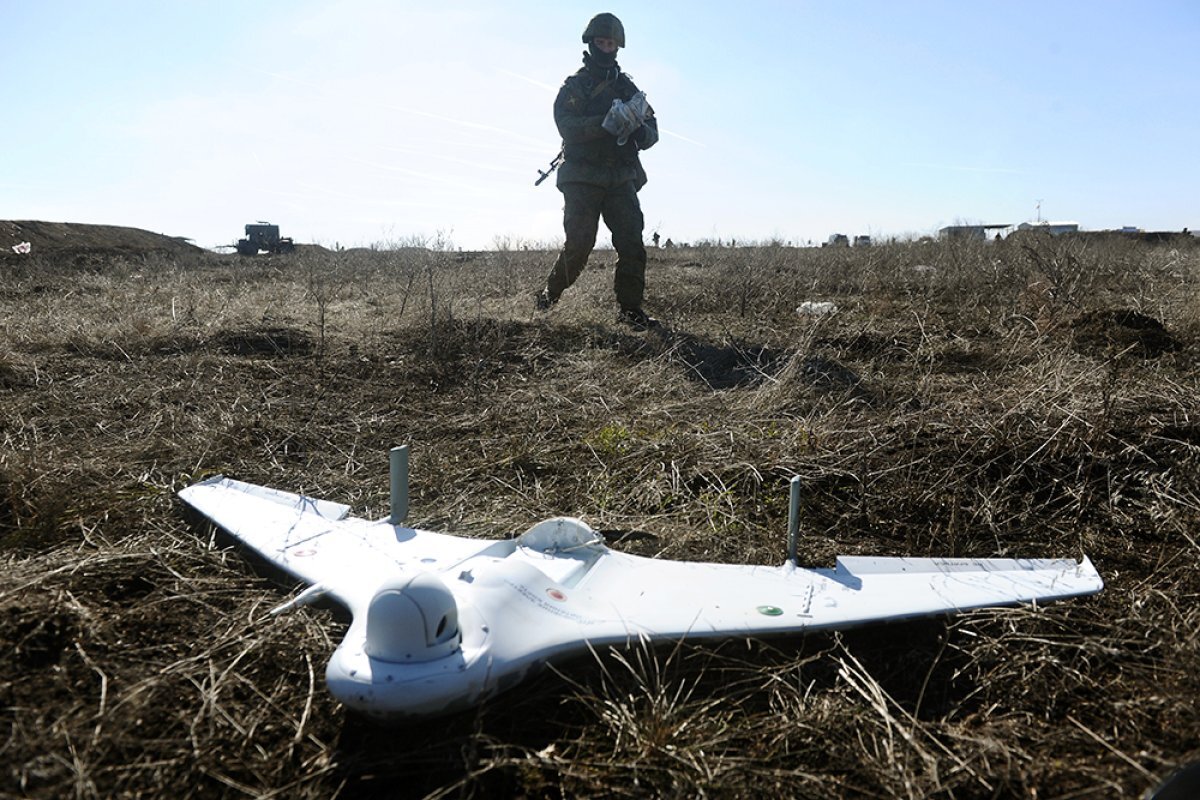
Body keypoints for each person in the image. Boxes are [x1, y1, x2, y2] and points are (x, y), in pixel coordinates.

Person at [536, 13, 660, 330]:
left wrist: (637, 130)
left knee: (632, 244)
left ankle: (631, 311)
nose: (606, 48)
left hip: (620, 177)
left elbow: (652, 130)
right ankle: (546, 300)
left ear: (618, 47)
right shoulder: (575, 87)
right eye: (601, 42)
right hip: (582, 177)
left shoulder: (629, 88)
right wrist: (606, 123)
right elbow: (566, 127)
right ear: (591, 43)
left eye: (611, 43)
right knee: (579, 247)